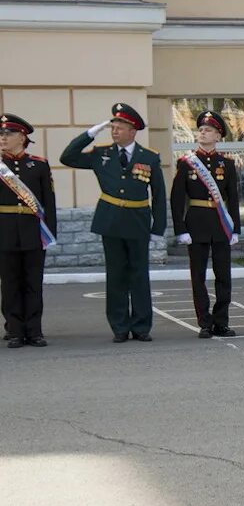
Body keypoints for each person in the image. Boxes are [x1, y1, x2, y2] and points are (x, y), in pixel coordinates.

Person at [61, 103, 166, 342]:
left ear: (133, 130)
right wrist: (90, 133)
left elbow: (159, 195)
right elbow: (67, 157)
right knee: (116, 275)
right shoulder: (101, 154)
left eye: (121, 126)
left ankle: (141, 327)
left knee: (139, 276)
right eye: (113, 126)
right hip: (110, 222)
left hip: (137, 221)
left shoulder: (149, 157)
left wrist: (158, 228)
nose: (115, 130)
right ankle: (119, 327)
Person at [170, 110, 240, 338]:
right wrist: (181, 229)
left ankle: (222, 321)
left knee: (223, 276)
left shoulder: (227, 165)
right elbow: (177, 199)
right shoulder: (186, 163)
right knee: (198, 276)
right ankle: (204, 322)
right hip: (196, 223)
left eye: (208, 130)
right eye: (200, 129)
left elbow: (233, 198)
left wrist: (235, 228)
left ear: (218, 136)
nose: (203, 133)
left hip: (220, 225)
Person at [0, 114, 56, 348]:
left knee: (33, 282)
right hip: (4, 231)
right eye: (1, 134)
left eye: (8, 134)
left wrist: (50, 233)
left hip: (33, 231)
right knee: (10, 283)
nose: (3, 138)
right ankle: (14, 330)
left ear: (22, 137)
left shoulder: (39, 164)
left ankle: (34, 330)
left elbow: (49, 202)